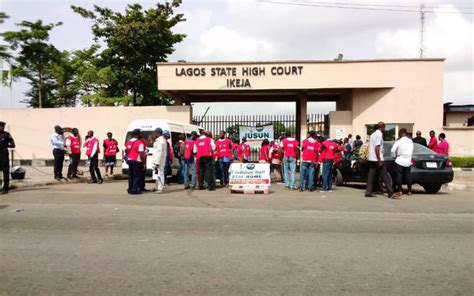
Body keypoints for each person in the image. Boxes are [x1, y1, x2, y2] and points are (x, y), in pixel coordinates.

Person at [365, 122, 394, 198]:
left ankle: (368, 191)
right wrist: (379, 160)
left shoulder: (372, 134)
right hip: (377, 158)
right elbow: (376, 148)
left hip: (372, 158)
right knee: (385, 175)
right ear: (382, 127)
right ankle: (390, 192)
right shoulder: (379, 134)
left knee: (371, 176)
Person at [391, 128, 414, 198]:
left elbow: (392, 150)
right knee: (408, 176)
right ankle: (409, 191)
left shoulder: (399, 141)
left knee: (399, 175)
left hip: (400, 159)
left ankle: (400, 190)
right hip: (408, 160)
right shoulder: (410, 141)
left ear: (401, 133)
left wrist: (394, 156)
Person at [125, 129, 146, 195]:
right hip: (137, 160)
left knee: (131, 175)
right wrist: (144, 162)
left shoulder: (129, 142)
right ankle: (135, 190)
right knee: (137, 176)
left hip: (130, 160)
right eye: (141, 133)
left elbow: (126, 151)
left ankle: (130, 189)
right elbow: (141, 154)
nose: (142, 135)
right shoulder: (140, 143)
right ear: (138, 134)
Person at [0, 121, 15, 194]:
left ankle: (5, 188)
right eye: (0, 126)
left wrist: (5, 146)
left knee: (5, 172)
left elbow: (13, 144)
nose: (1, 127)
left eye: (2, 126)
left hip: (4, 154)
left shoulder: (6, 134)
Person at [152, 128, 167, 194]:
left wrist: (157, 162)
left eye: (155, 132)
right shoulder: (159, 140)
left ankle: (160, 188)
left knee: (160, 174)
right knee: (156, 174)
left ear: (157, 133)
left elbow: (159, 152)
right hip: (156, 160)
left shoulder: (160, 141)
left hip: (159, 161)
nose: (154, 134)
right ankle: (157, 187)